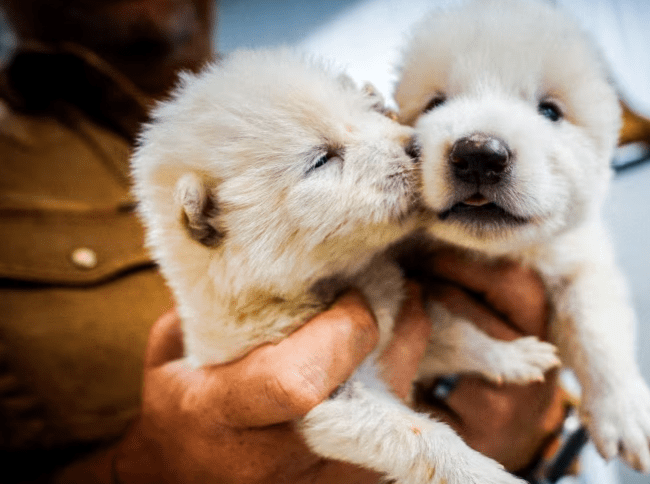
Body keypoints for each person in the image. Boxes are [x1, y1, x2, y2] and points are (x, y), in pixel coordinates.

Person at [0, 1, 570, 482]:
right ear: (208, 221)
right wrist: (149, 469)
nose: (405, 142)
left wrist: (537, 435)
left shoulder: (292, 82)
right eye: (322, 160)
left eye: (369, 113)